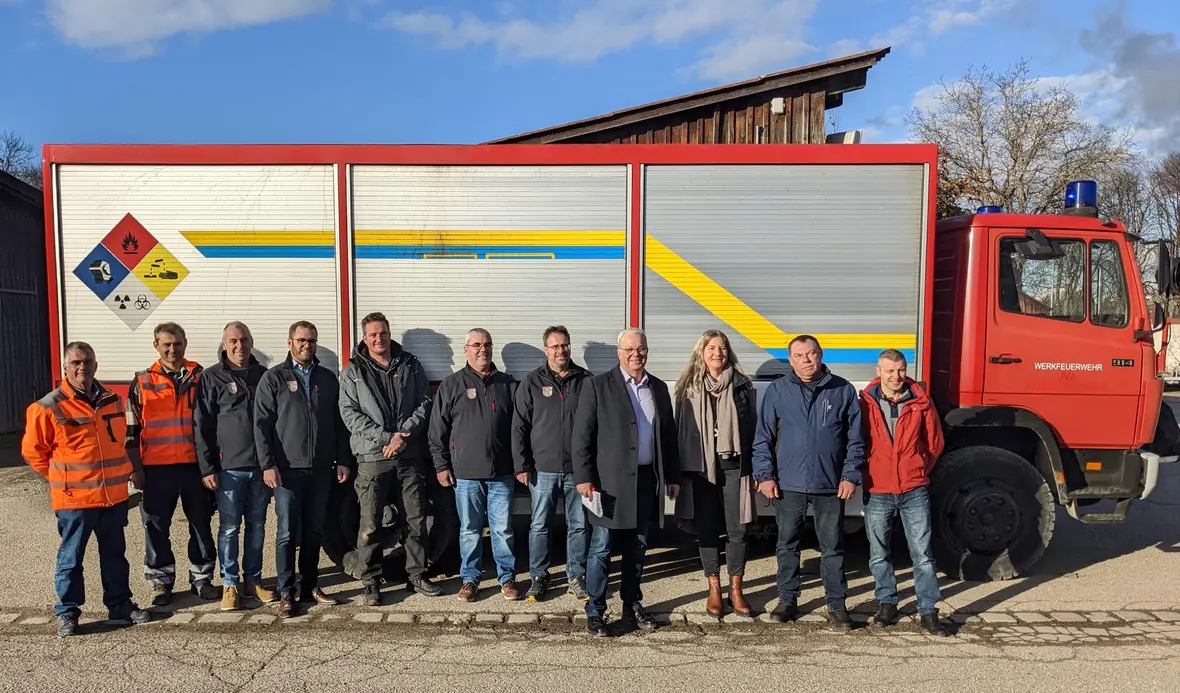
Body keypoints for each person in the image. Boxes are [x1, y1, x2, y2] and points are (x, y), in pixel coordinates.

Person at [23, 342, 151, 636]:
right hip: (74, 501)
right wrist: (63, 479)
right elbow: (34, 453)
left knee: (115, 556)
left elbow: (120, 443)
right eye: (76, 362)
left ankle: (120, 605)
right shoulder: (47, 406)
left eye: (88, 361)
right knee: (71, 559)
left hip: (112, 498)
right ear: (65, 367)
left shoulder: (111, 400)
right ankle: (68, 612)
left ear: (96, 365)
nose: (83, 367)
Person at [752, 335, 865, 630]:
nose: (806, 360)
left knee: (833, 547)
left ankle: (837, 605)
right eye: (799, 355)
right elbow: (763, 437)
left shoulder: (842, 389)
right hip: (788, 485)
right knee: (787, 545)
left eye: (811, 353)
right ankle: (787, 600)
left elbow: (855, 440)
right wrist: (764, 476)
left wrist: (850, 475)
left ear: (820, 355)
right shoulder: (778, 390)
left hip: (830, 485)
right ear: (790, 360)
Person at [573, 327, 680, 637]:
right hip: (607, 483)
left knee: (638, 547)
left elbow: (668, 437)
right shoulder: (597, 386)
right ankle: (595, 610)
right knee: (602, 548)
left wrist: (671, 476)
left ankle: (631, 603)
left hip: (647, 481)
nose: (636, 354)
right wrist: (583, 478)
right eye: (629, 349)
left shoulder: (658, 388)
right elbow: (581, 436)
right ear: (619, 353)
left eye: (641, 348)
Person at [339, 312, 443, 605]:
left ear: (389, 333)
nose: (378, 339)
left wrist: (403, 435)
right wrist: (387, 438)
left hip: (409, 455)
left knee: (416, 519)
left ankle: (417, 575)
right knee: (370, 523)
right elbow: (350, 414)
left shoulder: (410, 364)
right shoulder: (352, 372)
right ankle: (370, 581)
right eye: (372, 335)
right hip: (373, 456)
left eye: (382, 333)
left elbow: (424, 401)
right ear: (364, 338)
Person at [254, 321, 353, 618]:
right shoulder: (274, 378)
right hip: (286, 471)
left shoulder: (327, 378)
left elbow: (340, 425)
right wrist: (268, 465)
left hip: (321, 469)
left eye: (311, 340)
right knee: (286, 533)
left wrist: (343, 459)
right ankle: (286, 592)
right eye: (301, 340)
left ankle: (310, 585)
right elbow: (261, 425)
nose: (306, 345)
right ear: (289, 343)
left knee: (314, 530)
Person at [125, 322, 217, 606]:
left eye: (177, 343)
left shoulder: (201, 377)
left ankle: (201, 578)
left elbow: (214, 425)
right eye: (166, 344)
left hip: (195, 467)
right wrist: (135, 468)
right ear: (156, 346)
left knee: (201, 524)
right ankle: (161, 583)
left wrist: (213, 466)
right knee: (155, 526)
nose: (172, 349)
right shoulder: (142, 382)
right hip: (156, 470)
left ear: (185, 343)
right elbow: (130, 432)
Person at [859, 349, 949, 637]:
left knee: (922, 554)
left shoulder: (921, 402)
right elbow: (855, 442)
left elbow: (934, 444)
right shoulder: (865, 403)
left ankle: (928, 610)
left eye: (900, 370)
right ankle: (887, 603)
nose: (896, 376)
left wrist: (917, 468)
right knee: (878, 553)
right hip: (878, 489)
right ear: (878, 372)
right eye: (889, 371)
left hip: (913, 489)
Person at [428, 328, 519, 602]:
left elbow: (520, 429)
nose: (483, 349)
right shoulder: (452, 385)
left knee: (503, 529)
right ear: (466, 350)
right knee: (469, 529)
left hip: (502, 473)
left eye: (488, 344)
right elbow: (437, 432)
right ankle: (470, 579)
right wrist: (441, 465)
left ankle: (507, 578)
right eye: (477, 345)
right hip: (465, 474)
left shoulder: (508, 385)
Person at [672, 329, 757, 617]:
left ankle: (736, 589)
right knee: (707, 530)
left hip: (734, 464)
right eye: (711, 347)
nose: (717, 353)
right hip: (701, 468)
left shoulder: (743, 385)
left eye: (722, 348)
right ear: (701, 352)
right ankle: (713, 588)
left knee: (738, 530)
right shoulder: (688, 387)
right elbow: (679, 431)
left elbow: (753, 429)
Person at [194, 321, 277, 611]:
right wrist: (207, 467)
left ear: (251, 342)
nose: (239, 346)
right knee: (229, 528)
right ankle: (230, 584)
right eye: (233, 341)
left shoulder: (265, 376)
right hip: (228, 469)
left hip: (260, 468)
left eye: (243, 340)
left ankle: (253, 581)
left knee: (257, 527)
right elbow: (201, 425)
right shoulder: (212, 377)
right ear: (224, 344)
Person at [512, 325, 592, 602]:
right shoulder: (532, 382)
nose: (561, 350)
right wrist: (521, 464)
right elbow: (519, 426)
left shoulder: (586, 380)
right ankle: (538, 577)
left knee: (579, 524)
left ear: (570, 347)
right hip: (541, 469)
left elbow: (596, 426)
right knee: (539, 525)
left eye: (565, 345)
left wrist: (592, 467)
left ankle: (576, 576)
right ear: (546, 349)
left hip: (577, 470)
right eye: (555, 346)